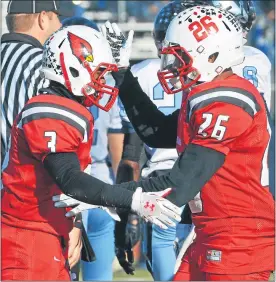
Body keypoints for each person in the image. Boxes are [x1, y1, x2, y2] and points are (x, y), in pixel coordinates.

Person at [97, 5, 274, 280]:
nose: (171, 65)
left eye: (179, 56)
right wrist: (123, 74)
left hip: (238, 237)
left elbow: (181, 182)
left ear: (212, 55)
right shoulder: (204, 93)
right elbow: (156, 132)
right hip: (210, 231)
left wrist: (104, 194)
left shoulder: (227, 100)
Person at [1, 25, 181, 281]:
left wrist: (73, 223)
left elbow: (62, 189)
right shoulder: (50, 109)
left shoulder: (62, 106)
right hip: (28, 237)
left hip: (47, 232)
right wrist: (133, 200)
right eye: (98, 73)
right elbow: (70, 178)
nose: (102, 83)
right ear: (72, 68)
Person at [115, 2, 209, 280]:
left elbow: (131, 155)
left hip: (161, 179)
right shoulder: (214, 75)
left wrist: (126, 216)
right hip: (203, 175)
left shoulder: (143, 71)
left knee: (164, 238)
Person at [1, 0, 84, 274]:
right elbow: (57, 150)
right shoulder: (44, 65)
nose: (61, 26)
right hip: (26, 214)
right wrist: (74, 220)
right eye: (59, 19)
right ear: (44, 18)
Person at [62, 16, 126, 281]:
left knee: (65, 270)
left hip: (67, 181)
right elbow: (117, 148)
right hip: (101, 179)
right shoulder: (108, 81)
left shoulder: (57, 81)